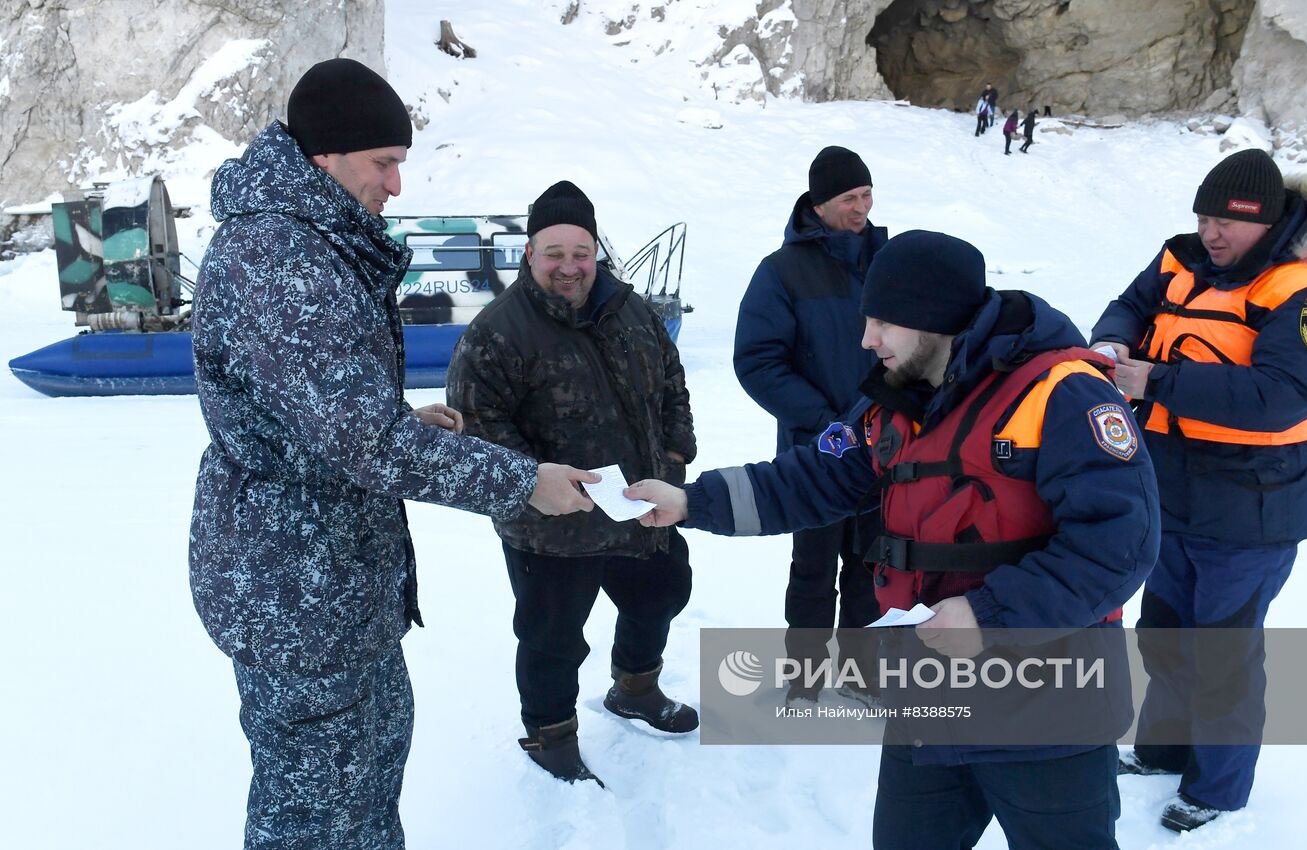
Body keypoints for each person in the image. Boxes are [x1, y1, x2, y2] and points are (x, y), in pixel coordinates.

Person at [630, 231, 1161, 849]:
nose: (867, 339)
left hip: (1048, 708)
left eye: (883, 322)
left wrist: (990, 615)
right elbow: (813, 478)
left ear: (935, 320)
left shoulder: (1065, 394)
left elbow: (1121, 543)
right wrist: (692, 501)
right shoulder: (892, 400)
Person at [189, 58, 598, 850]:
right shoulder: (280, 260)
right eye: (385, 163)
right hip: (295, 597)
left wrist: (398, 418)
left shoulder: (310, 241)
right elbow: (361, 441)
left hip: (334, 588)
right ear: (325, 158)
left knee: (366, 784)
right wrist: (520, 481)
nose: (396, 187)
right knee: (314, 816)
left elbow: (331, 415)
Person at [1091, 148, 1307, 831]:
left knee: (1222, 654)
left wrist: (1153, 381)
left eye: (1228, 223)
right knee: (1164, 636)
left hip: (1252, 508)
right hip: (1169, 493)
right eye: (1205, 217)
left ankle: (1216, 789)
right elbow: (1128, 306)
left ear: (1268, 223)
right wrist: (1114, 345)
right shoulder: (1181, 259)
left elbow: (1281, 395)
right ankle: (1161, 751)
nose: (1212, 233)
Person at [446, 180, 699, 787]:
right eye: (553, 252)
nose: (568, 266)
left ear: (596, 252)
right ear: (529, 254)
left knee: (662, 593)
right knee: (551, 638)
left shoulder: (631, 310)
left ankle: (635, 687)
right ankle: (550, 732)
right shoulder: (497, 333)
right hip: (550, 528)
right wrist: (534, 482)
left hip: (639, 510)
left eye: (580, 251)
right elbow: (475, 429)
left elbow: (672, 384)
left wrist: (671, 456)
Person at [733, 146, 888, 707]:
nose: (862, 207)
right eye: (850, 197)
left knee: (875, 566)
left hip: (885, 447)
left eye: (867, 195)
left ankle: (862, 672)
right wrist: (826, 421)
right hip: (815, 451)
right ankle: (806, 677)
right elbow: (757, 361)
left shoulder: (888, 261)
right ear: (819, 204)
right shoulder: (781, 272)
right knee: (813, 569)